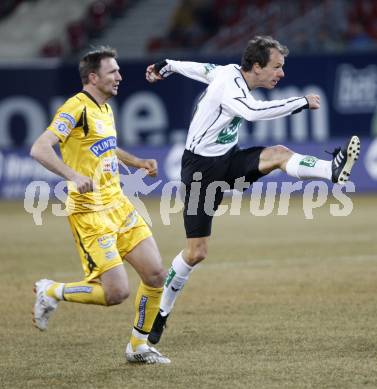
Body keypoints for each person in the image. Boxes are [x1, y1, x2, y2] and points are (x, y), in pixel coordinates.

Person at [144, 35, 361, 344]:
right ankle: (162, 313)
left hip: (229, 159)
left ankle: (333, 170)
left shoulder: (226, 72)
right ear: (256, 67)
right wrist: (300, 102)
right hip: (200, 172)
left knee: (278, 154)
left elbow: (200, 69)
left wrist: (169, 66)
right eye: (277, 67)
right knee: (196, 252)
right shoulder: (229, 88)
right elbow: (253, 114)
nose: (281, 73)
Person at [30, 46, 170, 364]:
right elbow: (39, 149)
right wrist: (72, 174)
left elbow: (107, 147)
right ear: (93, 77)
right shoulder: (75, 108)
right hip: (89, 211)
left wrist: (136, 162)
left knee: (156, 275)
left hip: (117, 203)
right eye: (113, 72)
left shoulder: (104, 109)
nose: (120, 76)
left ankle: (138, 347)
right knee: (115, 293)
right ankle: (51, 290)